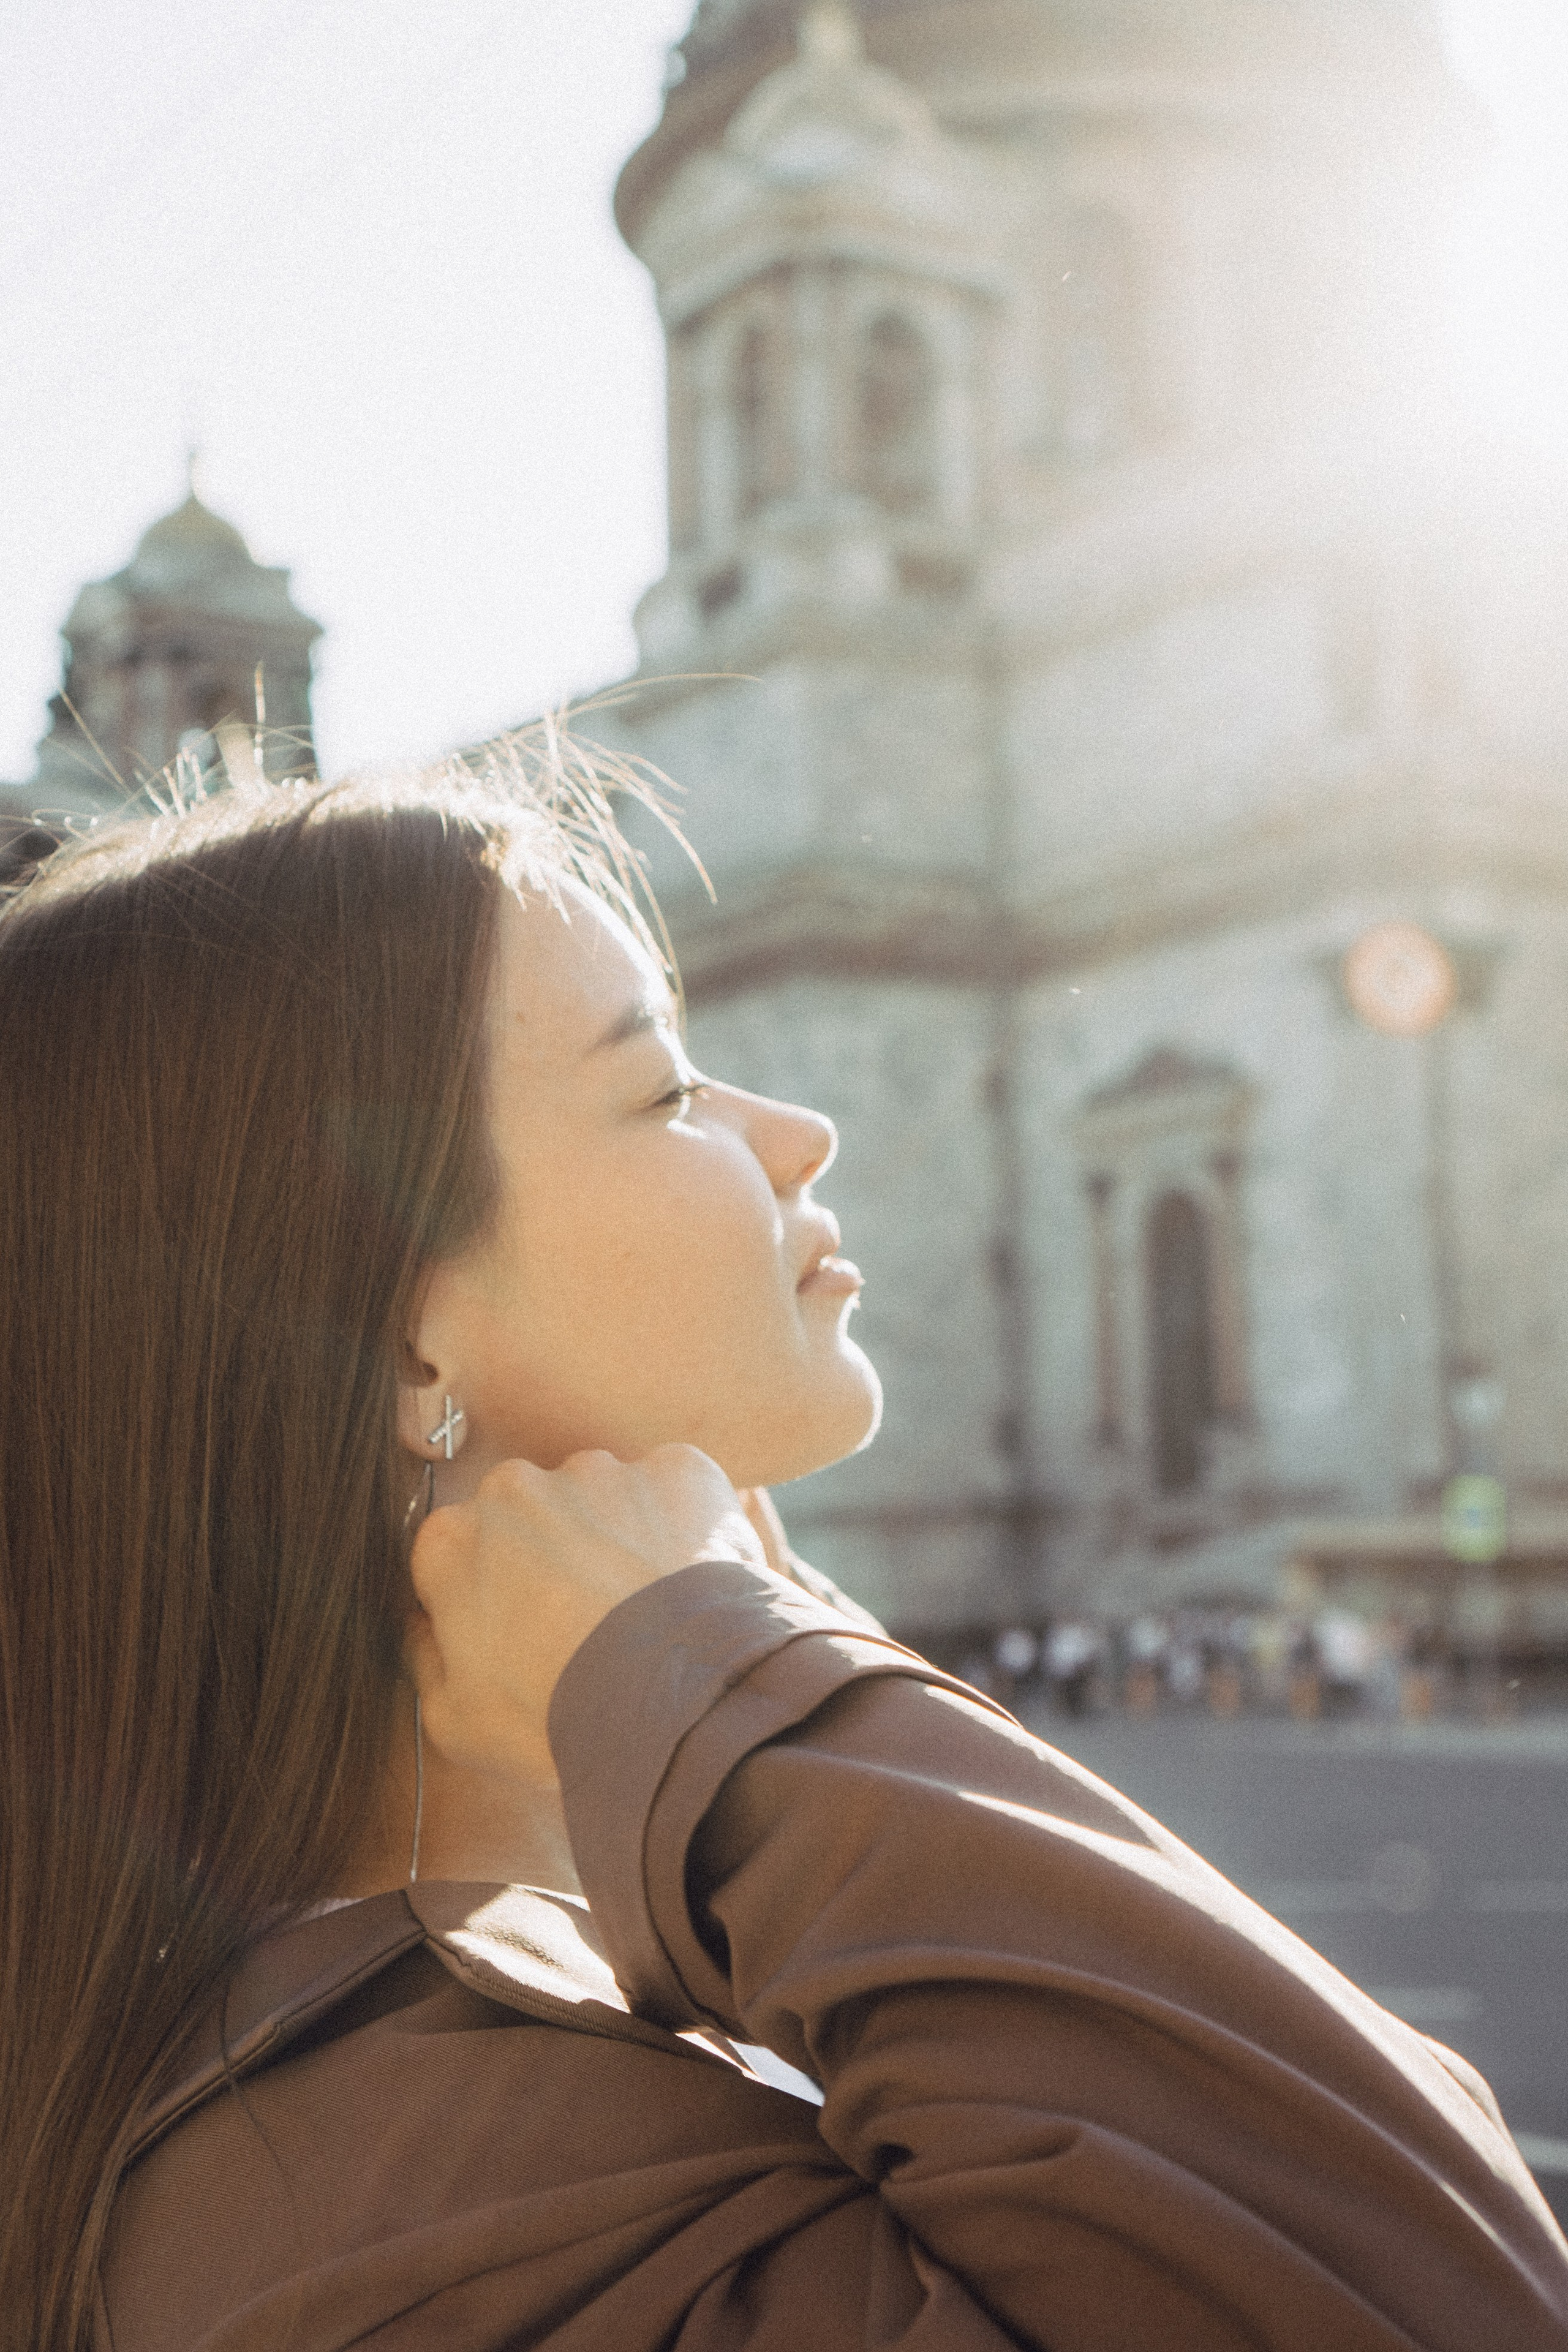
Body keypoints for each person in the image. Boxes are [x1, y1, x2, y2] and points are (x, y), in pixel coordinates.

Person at [3, 742, 1567, 2352]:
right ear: (408, 1351)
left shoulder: (360, 2100)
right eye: (665, 1088)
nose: (800, 1131)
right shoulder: (426, 2231)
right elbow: (1445, 2303)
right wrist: (712, 1676)